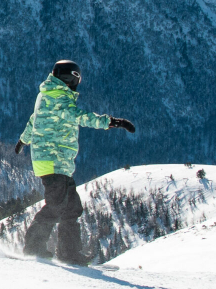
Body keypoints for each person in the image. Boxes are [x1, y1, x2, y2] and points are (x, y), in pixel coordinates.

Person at [15, 60, 134, 265]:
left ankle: (69, 252)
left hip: (57, 162)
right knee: (56, 205)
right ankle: (33, 247)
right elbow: (81, 116)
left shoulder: (47, 95)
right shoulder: (60, 99)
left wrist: (24, 139)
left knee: (71, 207)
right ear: (71, 78)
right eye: (76, 79)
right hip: (53, 161)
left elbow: (34, 119)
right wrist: (112, 122)